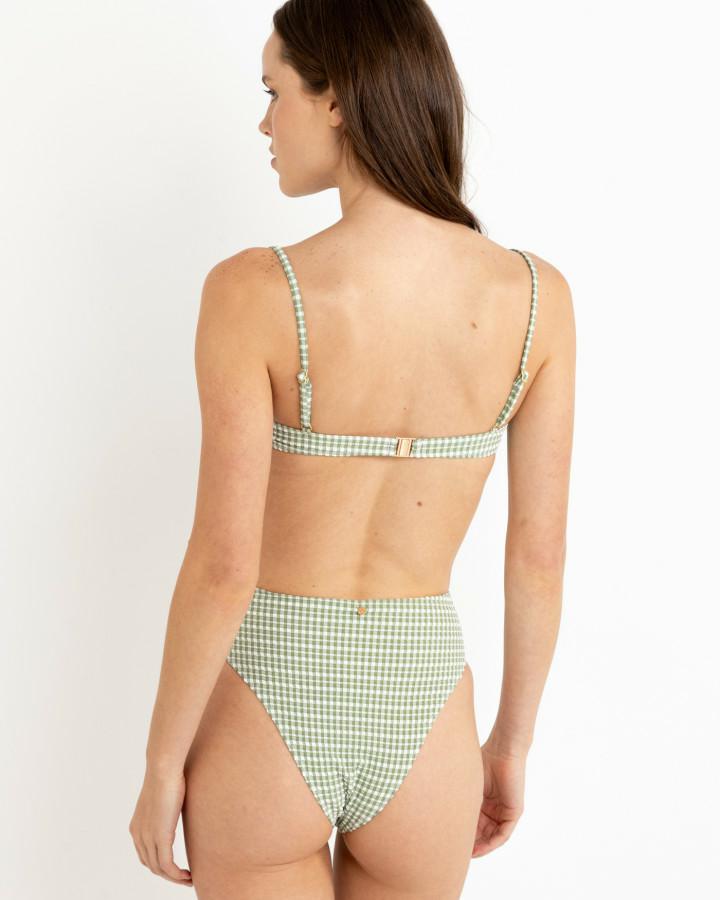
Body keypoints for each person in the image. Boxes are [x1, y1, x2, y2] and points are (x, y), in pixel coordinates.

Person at [129, 1, 575, 897]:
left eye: (275, 92)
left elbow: (223, 567)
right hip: (426, 708)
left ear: (336, 100)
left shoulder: (255, 290)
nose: (265, 124)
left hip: (269, 696)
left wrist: (162, 764)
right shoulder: (536, 298)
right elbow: (538, 557)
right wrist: (511, 742)